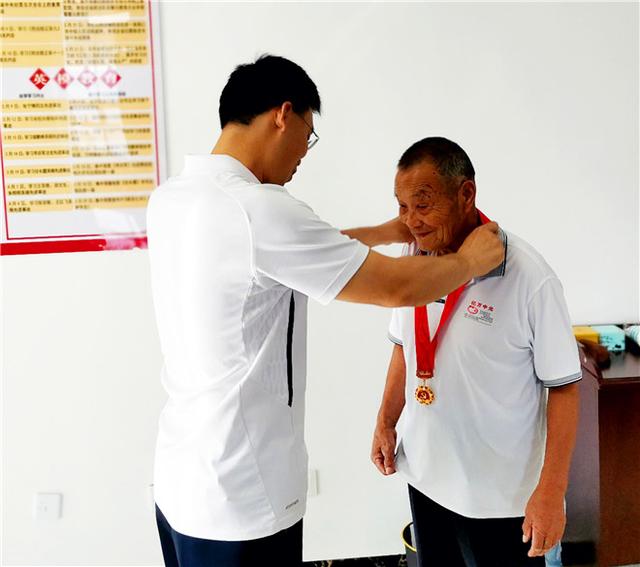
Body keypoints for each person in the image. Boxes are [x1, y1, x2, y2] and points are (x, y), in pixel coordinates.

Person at [146, 56, 504, 567]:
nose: (302, 154)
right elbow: (396, 287)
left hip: (181, 481)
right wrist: (470, 261)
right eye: (307, 134)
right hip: (242, 496)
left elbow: (282, 257)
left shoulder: (173, 198)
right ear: (283, 115)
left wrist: (384, 232)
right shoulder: (259, 209)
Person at [371, 137, 581, 567]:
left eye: (422, 205)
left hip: (499, 499)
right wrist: (385, 421)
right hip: (427, 477)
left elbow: (563, 388)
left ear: (465, 194)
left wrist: (551, 491)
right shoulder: (414, 258)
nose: (411, 222)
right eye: (402, 206)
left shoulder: (529, 278)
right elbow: (404, 348)